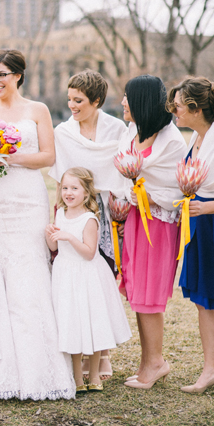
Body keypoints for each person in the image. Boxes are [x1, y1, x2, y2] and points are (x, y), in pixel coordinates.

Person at [0, 49, 75, 402]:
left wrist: (11, 156)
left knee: (30, 271)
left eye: (3, 74)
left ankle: (40, 367)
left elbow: (48, 156)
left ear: (18, 76)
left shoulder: (37, 110)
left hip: (28, 198)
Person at [48, 69, 129, 381]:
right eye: (70, 99)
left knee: (102, 278)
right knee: (75, 284)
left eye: (78, 100)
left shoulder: (115, 129)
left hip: (108, 209)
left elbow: (121, 166)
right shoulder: (64, 133)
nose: (72, 105)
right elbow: (62, 176)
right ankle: (78, 352)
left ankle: (102, 353)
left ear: (96, 101)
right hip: (75, 208)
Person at [167, 77, 214, 394]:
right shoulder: (198, 136)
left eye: (178, 106)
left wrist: (205, 209)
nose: (174, 111)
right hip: (200, 226)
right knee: (204, 301)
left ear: (195, 108)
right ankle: (211, 370)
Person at [117, 74, 187, 389]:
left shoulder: (171, 140)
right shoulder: (131, 131)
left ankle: (156, 361)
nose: (122, 103)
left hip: (158, 223)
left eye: (127, 97)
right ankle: (148, 361)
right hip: (134, 218)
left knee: (149, 293)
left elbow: (176, 189)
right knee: (136, 290)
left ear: (142, 102)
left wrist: (146, 194)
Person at [46, 168, 131, 394]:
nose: (68, 193)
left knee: (92, 325)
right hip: (65, 275)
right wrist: (50, 236)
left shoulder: (89, 219)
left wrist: (69, 237)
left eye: (75, 188)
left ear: (86, 193)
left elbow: (89, 252)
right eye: (65, 188)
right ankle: (77, 378)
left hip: (87, 275)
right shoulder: (60, 214)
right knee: (71, 324)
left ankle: (94, 375)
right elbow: (55, 247)